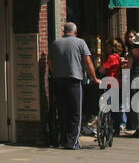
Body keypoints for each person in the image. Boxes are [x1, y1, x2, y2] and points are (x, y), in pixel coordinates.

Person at [49, 21, 100, 149]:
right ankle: (72, 142)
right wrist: (94, 78)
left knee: (62, 110)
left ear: (63, 32)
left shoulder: (55, 43)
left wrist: (55, 72)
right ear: (75, 32)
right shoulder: (80, 42)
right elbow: (88, 62)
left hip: (58, 80)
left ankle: (63, 139)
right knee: (76, 112)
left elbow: (50, 62)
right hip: (74, 79)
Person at [100, 38, 128, 136]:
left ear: (112, 47)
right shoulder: (119, 57)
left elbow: (102, 70)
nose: (106, 48)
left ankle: (110, 127)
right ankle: (116, 128)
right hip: (119, 84)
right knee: (116, 108)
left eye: (108, 46)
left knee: (110, 107)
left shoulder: (112, 57)